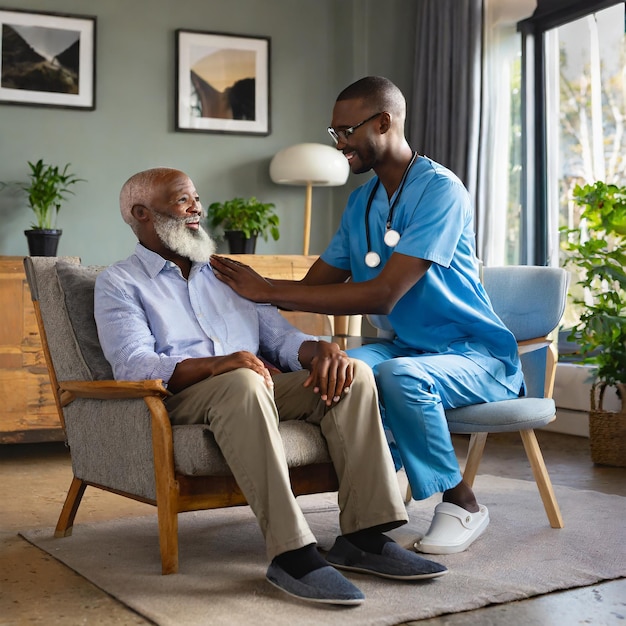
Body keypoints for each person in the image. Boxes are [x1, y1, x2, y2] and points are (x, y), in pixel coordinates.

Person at [93, 167, 448, 607]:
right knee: (240, 378)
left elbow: (279, 339)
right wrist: (221, 364)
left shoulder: (227, 274)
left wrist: (321, 351)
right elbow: (133, 365)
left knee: (352, 375)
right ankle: (291, 553)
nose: (196, 208)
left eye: (196, 198)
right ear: (142, 213)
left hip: (255, 386)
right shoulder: (120, 282)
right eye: (183, 200)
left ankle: (365, 537)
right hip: (183, 397)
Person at [210, 76, 525, 556]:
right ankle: (365, 511)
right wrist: (234, 290)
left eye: (346, 132)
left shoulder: (441, 191)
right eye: (334, 133)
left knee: (401, 376)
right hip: (408, 347)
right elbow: (315, 285)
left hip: (475, 354)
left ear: (384, 121)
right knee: (336, 370)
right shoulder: (361, 202)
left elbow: (384, 295)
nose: (340, 145)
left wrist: (268, 289)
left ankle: (463, 503)